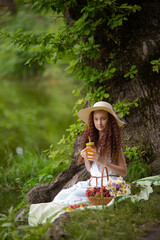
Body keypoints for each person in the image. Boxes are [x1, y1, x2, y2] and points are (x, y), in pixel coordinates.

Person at [28, 101, 127, 226]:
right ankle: (48, 219)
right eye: (96, 119)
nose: (99, 123)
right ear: (92, 121)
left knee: (73, 199)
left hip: (109, 184)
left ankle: (62, 220)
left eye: (103, 119)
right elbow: (91, 170)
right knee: (63, 195)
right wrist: (86, 158)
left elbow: (124, 171)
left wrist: (102, 161)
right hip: (93, 182)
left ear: (110, 121)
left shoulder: (115, 146)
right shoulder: (93, 143)